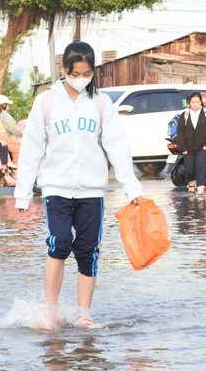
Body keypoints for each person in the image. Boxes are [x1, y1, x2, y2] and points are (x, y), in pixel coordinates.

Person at [14, 40, 143, 330]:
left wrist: (132, 189)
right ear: (64, 70)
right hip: (55, 189)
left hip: (92, 191)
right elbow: (32, 148)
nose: (82, 79)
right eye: (76, 73)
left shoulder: (100, 103)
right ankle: (51, 310)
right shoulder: (46, 101)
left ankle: (84, 314)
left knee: (87, 250)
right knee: (60, 242)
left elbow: (117, 147)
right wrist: (22, 194)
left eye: (87, 74)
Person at [175, 92, 206, 196]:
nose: (195, 104)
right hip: (188, 148)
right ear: (189, 103)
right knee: (189, 169)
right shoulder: (184, 115)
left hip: (203, 147)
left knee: (200, 167)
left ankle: (200, 193)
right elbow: (180, 132)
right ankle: (191, 185)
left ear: (201, 102)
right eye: (193, 102)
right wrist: (182, 148)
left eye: (197, 102)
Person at [0, 94, 24, 166]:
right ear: (3, 104)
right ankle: (17, 171)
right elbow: (13, 128)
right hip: (4, 137)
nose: (7, 106)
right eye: (6, 104)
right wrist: (26, 131)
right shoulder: (4, 114)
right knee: (21, 148)